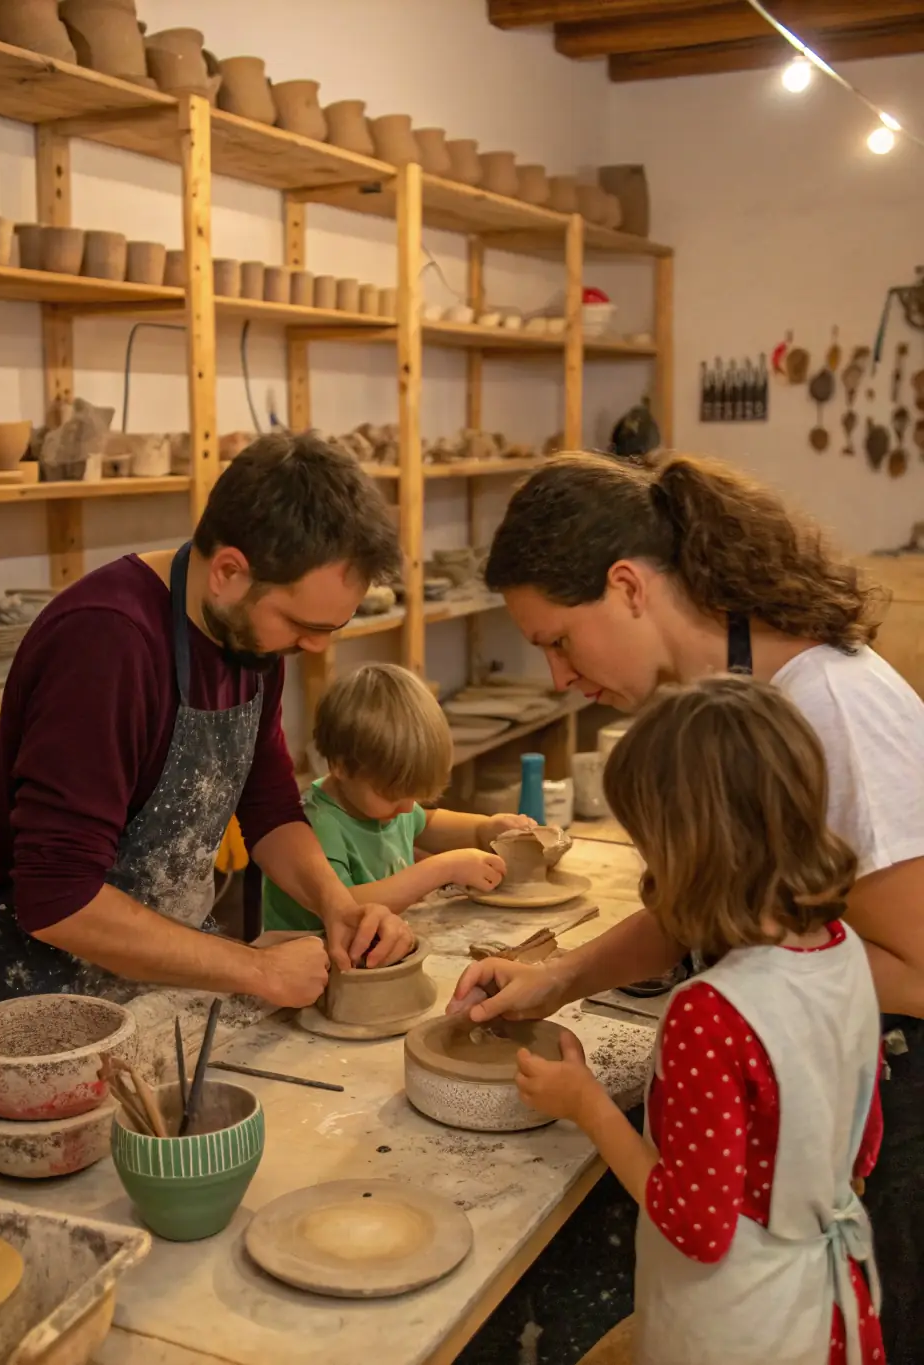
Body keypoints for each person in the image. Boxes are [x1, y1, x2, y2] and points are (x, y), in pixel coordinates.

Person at [449, 450, 924, 1364]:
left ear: (627, 586)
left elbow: (913, 967)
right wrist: (560, 977)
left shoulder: (833, 706)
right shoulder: (738, 699)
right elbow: (733, 908)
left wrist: (735, 1000)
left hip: (876, 1110)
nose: (556, 678)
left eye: (557, 640)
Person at [0, 433, 415, 1048]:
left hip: (164, 977)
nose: (315, 647)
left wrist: (337, 904)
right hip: (37, 1005)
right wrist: (256, 968)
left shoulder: (249, 635)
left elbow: (267, 810)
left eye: (330, 628)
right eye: (302, 625)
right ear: (229, 572)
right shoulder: (105, 643)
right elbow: (58, 899)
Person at [514, 676, 883, 1365]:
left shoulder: (709, 1013)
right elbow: (859, 1148)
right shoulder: (845, 952)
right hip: (822, 1304)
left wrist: (585, 1102)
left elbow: (696, 1224)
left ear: (687, 847)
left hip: (737, 1326)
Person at [263, 663, 532, 928]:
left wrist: (486, 828)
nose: (406, 810)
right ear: (341, 766)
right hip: (312, 959)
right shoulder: (317, 826)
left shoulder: (381, 805)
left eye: (412, 798)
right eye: (393, 797)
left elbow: (429, 823)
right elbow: (347, 908)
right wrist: (443, 869)